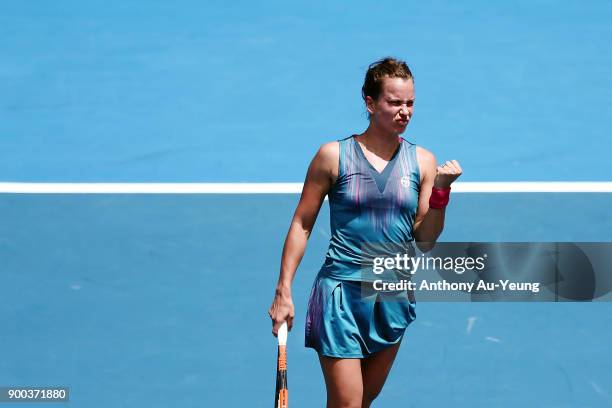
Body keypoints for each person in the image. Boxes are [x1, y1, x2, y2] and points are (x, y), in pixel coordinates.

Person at [268, 57, 462, 407]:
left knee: (362, 402)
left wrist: (441, 194)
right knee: (348, 404)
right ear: (370, 103)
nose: (404, 111)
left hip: (391, 296)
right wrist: (284, 291)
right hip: (340, 294)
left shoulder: (423, 162)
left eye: (410, 103)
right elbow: (302, 223)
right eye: (394, 102)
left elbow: (426, 241)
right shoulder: (333, 157)